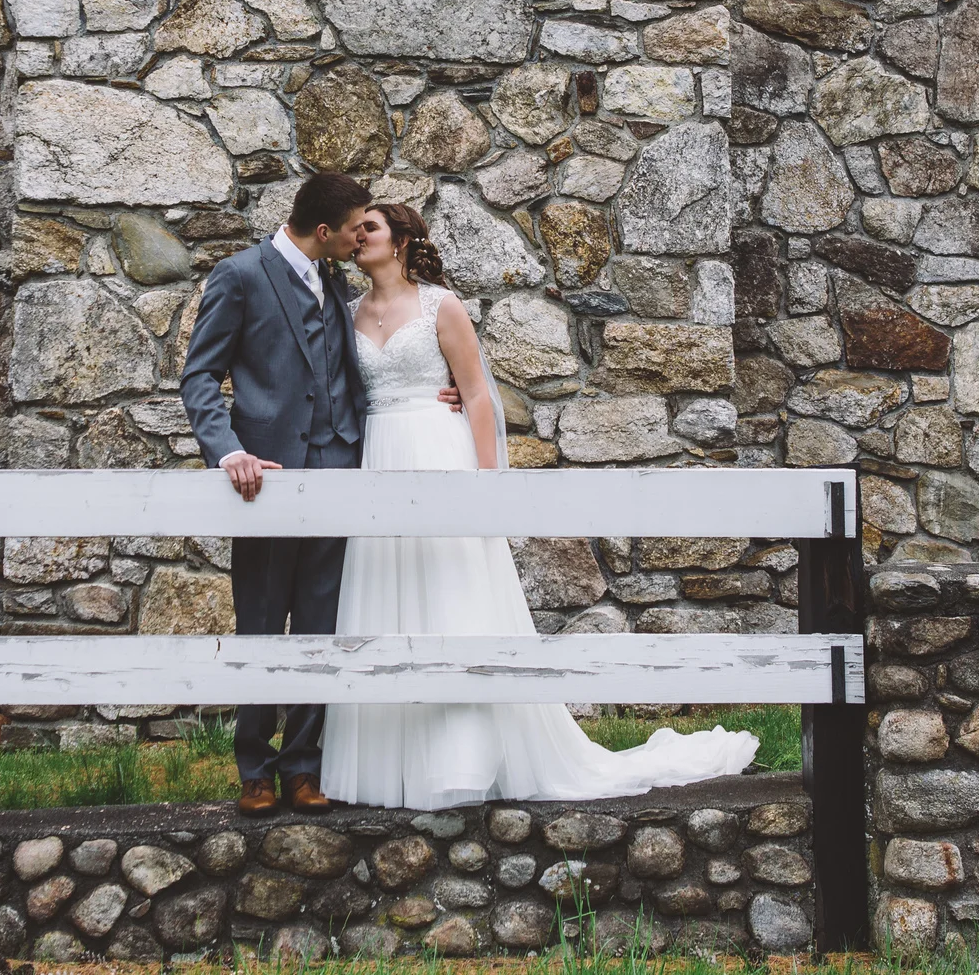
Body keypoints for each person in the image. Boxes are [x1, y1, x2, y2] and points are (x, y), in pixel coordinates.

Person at [320, 201, 761, 811]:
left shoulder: (439, 306)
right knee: (387, 599)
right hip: (379, 456)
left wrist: (488, 486)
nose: (357, 235)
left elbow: (476, 395)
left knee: (456, 599)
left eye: (370, 227)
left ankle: (462, 761)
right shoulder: (346, 315)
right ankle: (388, 763)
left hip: (439, 454)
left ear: (399, 240)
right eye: (355, 227)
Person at [178, 171, 376, 816]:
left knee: (321, 623)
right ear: (324, 231)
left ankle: (303, 768)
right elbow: (201, 376)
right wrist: (227, 449)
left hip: (336, 467)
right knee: (261, 621)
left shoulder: (336, 278)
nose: (360, 240)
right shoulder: (240, 275)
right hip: (265, 476)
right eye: (354, 230)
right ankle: (254, 768)